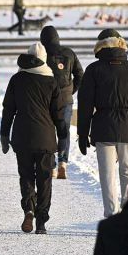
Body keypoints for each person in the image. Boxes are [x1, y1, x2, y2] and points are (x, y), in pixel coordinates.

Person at [77, 29, 128, 218]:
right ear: (120, 44)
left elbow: (85, 105)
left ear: (100, 45)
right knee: (127, 172)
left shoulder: (93, 70)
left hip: (103, 127)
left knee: (107, 174)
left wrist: (83, 133)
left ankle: (111, 215)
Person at [0, 42, 66, 234]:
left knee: (26, 175)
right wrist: (62, 138)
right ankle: (41, 221)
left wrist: (5, 134)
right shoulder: (51, 81)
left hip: (22, 136)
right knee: (45, 179)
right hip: (45, 138)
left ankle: (29, 209)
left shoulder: (17, 79)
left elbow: (8, 110)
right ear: (44, 60)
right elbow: (58, 114)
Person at [40, 26, 83, 179]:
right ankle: (63, 163)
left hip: (47, 101)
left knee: (49, 132)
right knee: (63, 131)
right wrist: (71, 91)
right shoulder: (69, 53)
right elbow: (80, 74)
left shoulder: (42, 54)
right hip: (66, 100)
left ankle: (51, 166)